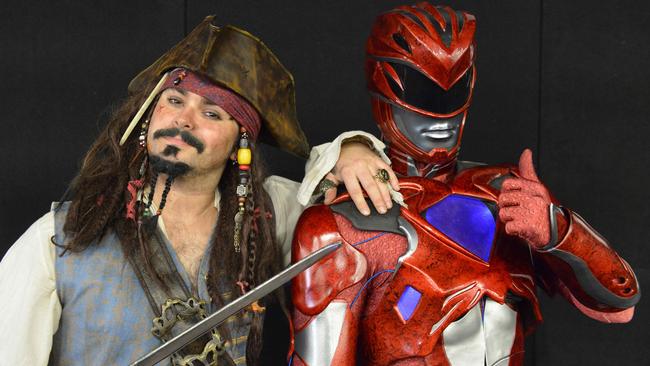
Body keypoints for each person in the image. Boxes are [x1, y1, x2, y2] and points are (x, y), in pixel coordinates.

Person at [0, 16, 399, 365]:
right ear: (148, 116)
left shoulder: (268, 216)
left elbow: (342, 201)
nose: (183, 120)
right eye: (173, 100)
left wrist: (352, 148)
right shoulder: (58, 238)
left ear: (239, 145)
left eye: (211, 113)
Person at [289, 3, 640, 365]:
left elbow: (619, 301)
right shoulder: (342, 224)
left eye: (452, 94)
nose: (442, 118)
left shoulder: (507, 194)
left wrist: (558, 229)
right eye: (424, 94)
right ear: (384, 90)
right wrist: (346, 149)